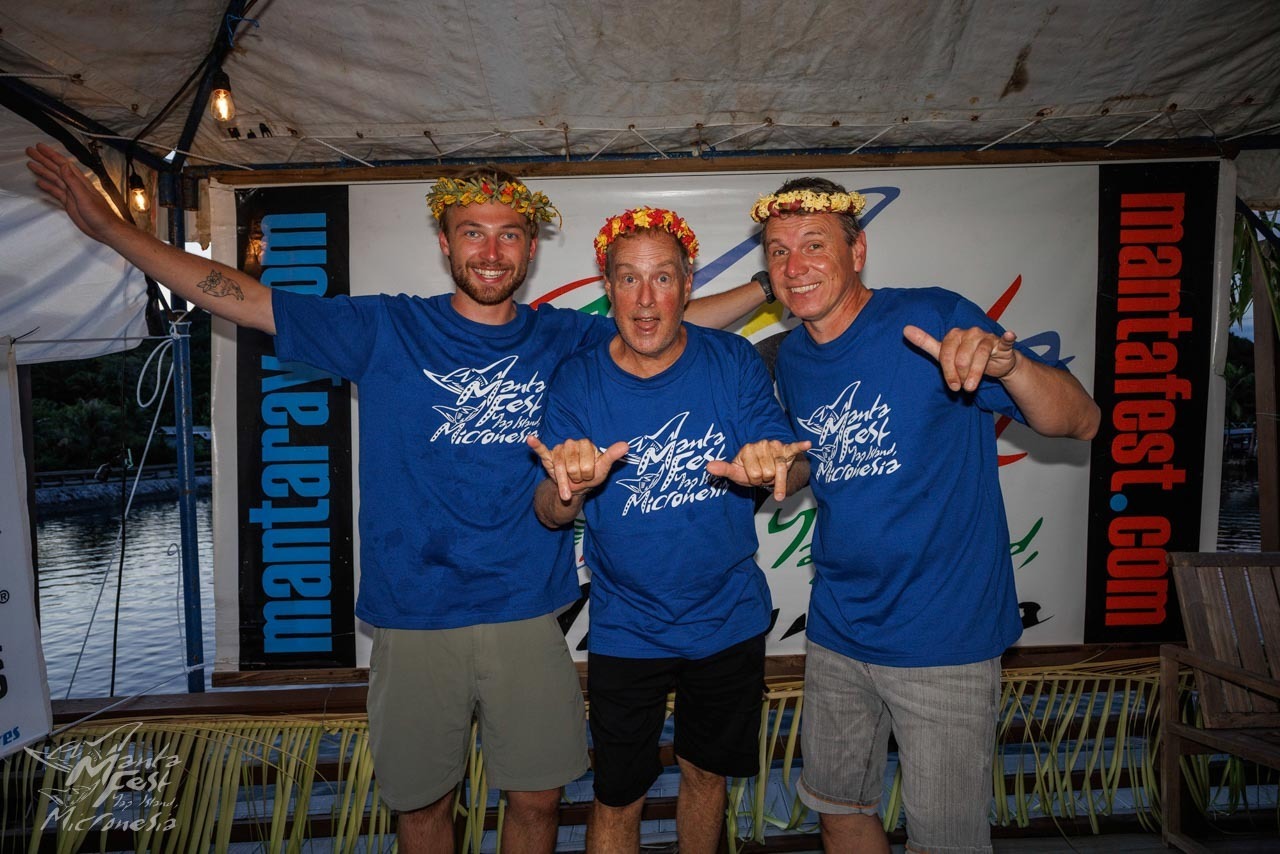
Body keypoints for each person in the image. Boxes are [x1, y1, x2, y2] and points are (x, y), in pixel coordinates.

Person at [25, 143, 769, 854]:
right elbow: (245, 298)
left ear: (529, 250)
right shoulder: (387, 327)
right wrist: (114, 231)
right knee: (423, 805)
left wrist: (778, 288)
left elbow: (661, 326)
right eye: (472, 232)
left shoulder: (561, 338)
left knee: (539, 799)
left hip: (525, 607)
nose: (491, 251)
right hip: (414, 614)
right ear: (445, 243)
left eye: (509, 235)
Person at [751, 177, 1100, 854]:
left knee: (945, 841)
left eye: (815, 244)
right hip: (838, 629)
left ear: (857, 252)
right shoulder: (790, 357)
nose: (795, 266)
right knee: (838, 810)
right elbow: (813, 460)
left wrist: (1009, 366)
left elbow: (1081, 419)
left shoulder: (933, 317)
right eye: (779, 250)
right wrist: (773, 468)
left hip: (944, 636)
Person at [527, 207, 809, 853]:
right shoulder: (578, 377)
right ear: (608, 288)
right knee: (617, 794)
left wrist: (774, 465)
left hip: (728, 619)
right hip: (628, 626)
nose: (646, 299)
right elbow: (547, 510)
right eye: (628, 278)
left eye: (662, 278)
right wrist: (570, 488)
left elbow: (794, 464)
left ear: (687, 285)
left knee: (706, 776)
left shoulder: (732, 360)